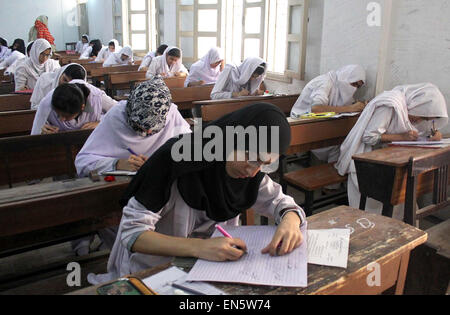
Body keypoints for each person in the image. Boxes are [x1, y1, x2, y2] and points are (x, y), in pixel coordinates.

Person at [87, 102, 306, 285]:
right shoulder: (172, 162)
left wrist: (290, 221)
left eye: (264, 163)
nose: (253, 170)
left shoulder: (248, 173)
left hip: (209, 270)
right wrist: (200, 248)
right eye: (250, 156)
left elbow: (282, 203)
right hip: (153, 272)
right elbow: (132, 234)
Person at [74, 77, 192, 256]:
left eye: (152, 130)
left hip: (157, 188)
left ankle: (158, 251)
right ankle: (123, 251)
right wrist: (117, 163)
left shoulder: (171, 115)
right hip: (121, 188)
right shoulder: (116, 117)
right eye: (140, 127)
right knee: (107, 212)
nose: (147, 134)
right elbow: (83, 161)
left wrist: (163, 163)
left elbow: (188, 150)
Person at [335, 83, 448, 219]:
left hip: (391, 158)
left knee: (402, 190)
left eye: (426, 119)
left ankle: (399, 230)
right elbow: (369, 137)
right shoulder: (389, 105)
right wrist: (402, 137)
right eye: (422, 117)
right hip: (365, 159)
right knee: (378, 207)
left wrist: (436, 134)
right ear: (417, 105)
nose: (420, 121)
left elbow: (427, 130)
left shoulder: (412, 108)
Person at [31, 80, 117, 135]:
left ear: (82, 107)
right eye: (58, 115)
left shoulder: (97, 98)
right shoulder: (47, 103)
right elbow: (35, 134)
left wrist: (100, 123)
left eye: (66, 116)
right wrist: (43, 132)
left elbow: (121, 112)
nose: (61, 119)